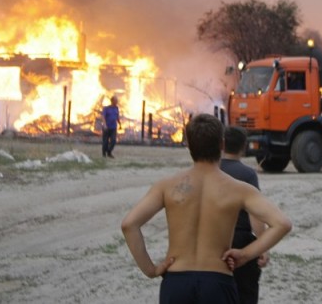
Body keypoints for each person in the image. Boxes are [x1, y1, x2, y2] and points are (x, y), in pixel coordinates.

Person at [121, 114, 292, 304]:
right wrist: (245, 254)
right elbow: (282, 224)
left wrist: (150, 269)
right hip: (217, 280)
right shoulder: (239, 189)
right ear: (222, 144)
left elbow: (129, 224)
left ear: (188, 145)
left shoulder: (166, 186)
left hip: (177, 280)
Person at [219, 126, 267, 304]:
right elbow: (255, 213)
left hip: (214, 238)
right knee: (245, 293)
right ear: (243, 147)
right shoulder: (247, 174)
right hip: (239, 240)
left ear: (222, 145)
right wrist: (262, 246)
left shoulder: (212, 170)